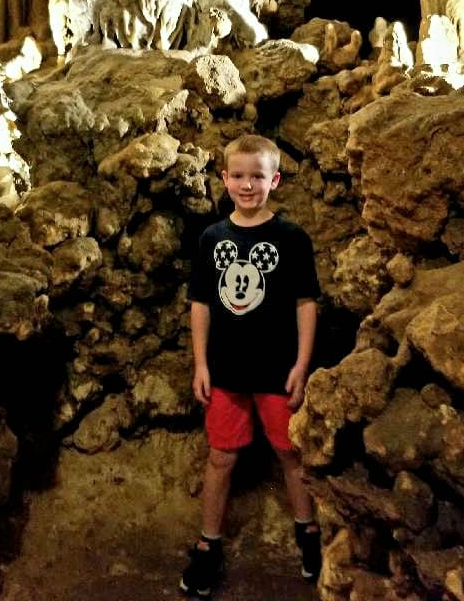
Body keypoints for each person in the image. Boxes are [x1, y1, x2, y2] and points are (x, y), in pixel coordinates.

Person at [180, 134, 321, 598]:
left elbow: (305, 302)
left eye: (257, 176)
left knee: (290, 453)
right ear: (224, 179)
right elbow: (200, 303)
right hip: (225, 372)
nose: (246, 185)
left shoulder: (291, 239)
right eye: (238, 175)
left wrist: (302, 364)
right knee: (220, 457)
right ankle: (209, 542)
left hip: (277, 372)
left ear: (274, 181)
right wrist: (201, 364)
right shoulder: (211, 238)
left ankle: (308, 531)